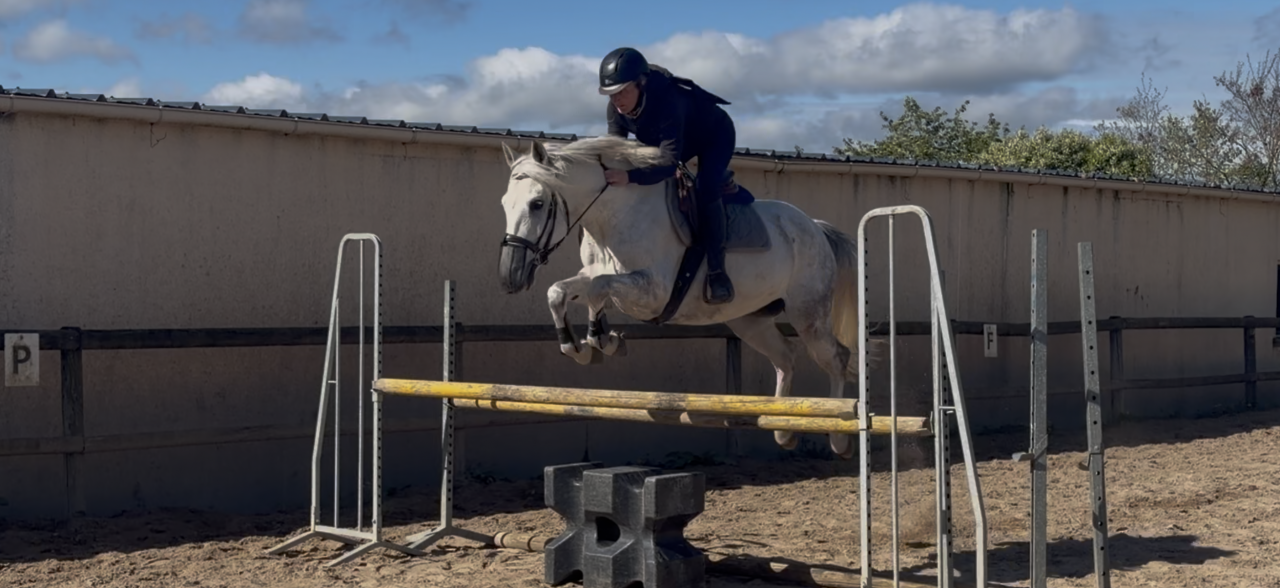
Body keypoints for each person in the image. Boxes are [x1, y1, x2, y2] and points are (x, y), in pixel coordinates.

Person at [597, 46, 737, 306]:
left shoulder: (667, 101)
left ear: (642, 83)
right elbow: (615, 151)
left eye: (623, 91)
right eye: (611, 94)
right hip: (676, 140)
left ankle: (718, 273)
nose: (617, 101)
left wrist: (630, 177)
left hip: (714, 135)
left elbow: (667, 163)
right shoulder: (615, 109)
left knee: (705, 186)